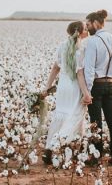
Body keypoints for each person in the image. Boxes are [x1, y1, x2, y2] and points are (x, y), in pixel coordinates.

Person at [41, 21, 93, 164]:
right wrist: (86, 93)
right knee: (76, 116)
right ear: (80, 32)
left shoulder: (61, 46)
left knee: (61, 115)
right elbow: (80, 75)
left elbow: (55, 68)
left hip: (63, 86)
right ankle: (59, 146)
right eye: (85, 28)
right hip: (74, 87)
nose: (87, 30)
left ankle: (50, 149)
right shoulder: (80, 49)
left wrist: (47, 87)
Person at [83, 9, 112, 166]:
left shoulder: (93, 41)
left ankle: (96, 155)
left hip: (96, 84)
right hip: (111, 84)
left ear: (95, 23)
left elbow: (89, 68)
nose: (87, 28)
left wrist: (87, 90)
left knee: (95, 121)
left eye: (88, 25)